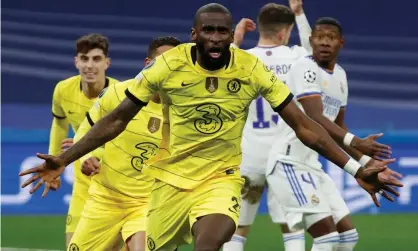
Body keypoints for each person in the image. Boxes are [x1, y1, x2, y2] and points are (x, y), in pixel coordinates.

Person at [20, 4, 402, 251]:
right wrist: (65, 159)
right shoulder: (169, 67)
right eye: (209, 31)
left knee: (213, 239)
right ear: (194, 35)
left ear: (231, 33)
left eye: (223, 31)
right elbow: (116, 119)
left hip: (219, 179)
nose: (216, 39)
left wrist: (355, 168)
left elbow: (305, 125)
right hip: (167, 183)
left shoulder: (251, 69)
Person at [265, 17, 401, 251]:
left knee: (347, 238)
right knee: (327, 239)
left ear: (341, 43)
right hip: (288, 163)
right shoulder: (304, 68)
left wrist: (369, 162)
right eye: (319, 37)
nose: (324, 42)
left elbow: (339, 127)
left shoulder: (340, 76)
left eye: (330, 38)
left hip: (312, 166)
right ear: (311, 41)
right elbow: (315, 117)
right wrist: (357, 143)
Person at [66, 36, 181, 251]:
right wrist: (86, 156)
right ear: (149, 64)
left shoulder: (184, 109)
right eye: (164, 63)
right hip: (105, 198)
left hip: (149, 203)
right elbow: (85, 130)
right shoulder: (119, 93)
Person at [223, 1, 313, 250]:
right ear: (284, 32)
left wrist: (236, 41)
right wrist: (299, 14)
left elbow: (216, 73)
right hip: (285, 159)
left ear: (260, 28)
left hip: (248, 155)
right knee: (292, 227)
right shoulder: (296, 57)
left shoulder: (243, 59)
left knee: (237, 228)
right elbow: (315, 53)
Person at [47, 33, 119, 247]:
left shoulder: (120, 95)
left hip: (115, 183)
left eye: (96, 59)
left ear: (107, 63)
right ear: (76, 61)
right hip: (83, 182)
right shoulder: (63, 90)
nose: (90, 65)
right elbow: (59, 124)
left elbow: (127, 141)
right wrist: (55, 160)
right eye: (84, 58)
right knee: (73, 245)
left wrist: (85, 147)